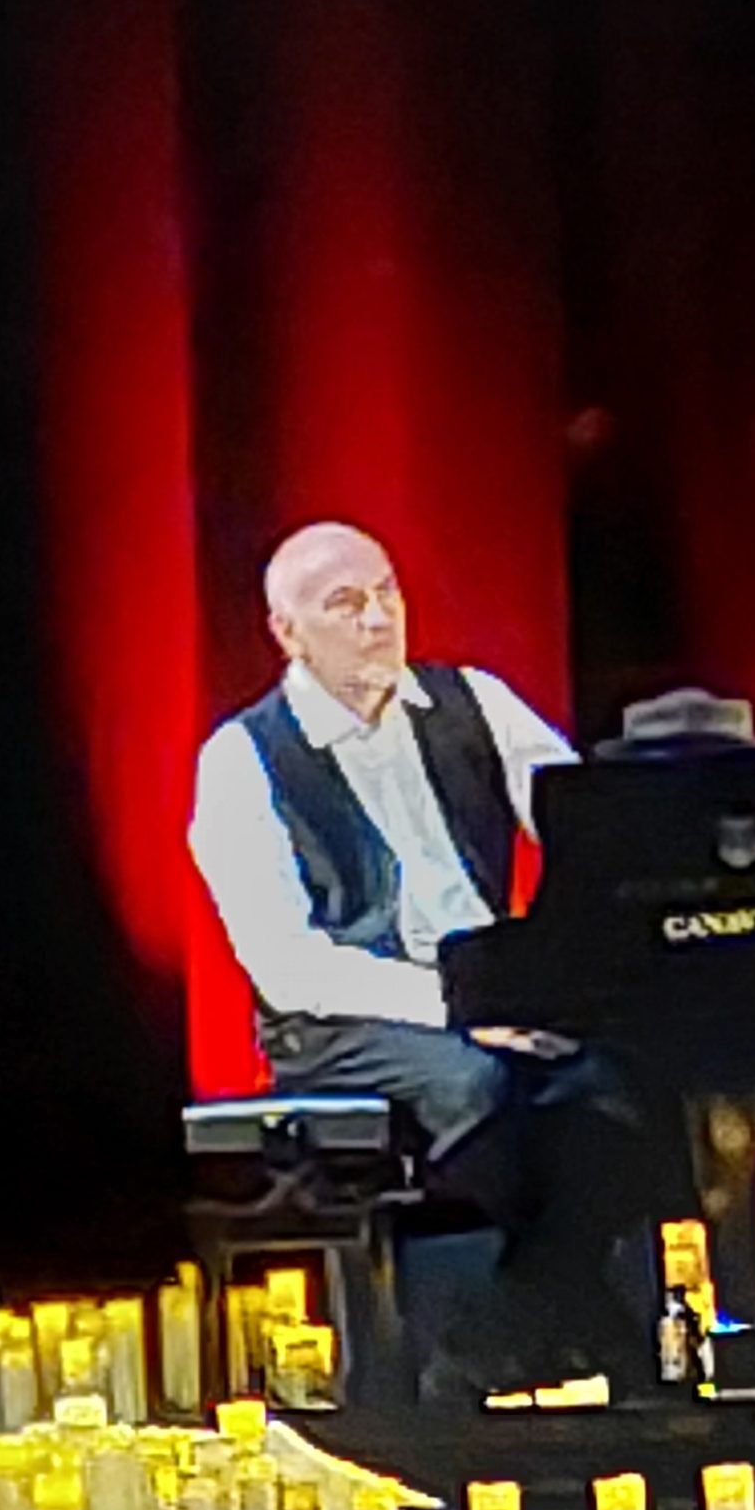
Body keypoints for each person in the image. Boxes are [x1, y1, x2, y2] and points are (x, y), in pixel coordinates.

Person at [189, 519, 648, 1393]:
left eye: (387, 593)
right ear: (288, 632)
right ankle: (572, 1336)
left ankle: (499, 1331)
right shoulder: (243, 760)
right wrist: (465, 1005)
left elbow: (586, 828)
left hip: (491, 993)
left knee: (626, 1070)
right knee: (475, 1083)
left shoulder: (473, 702)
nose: (378, 619)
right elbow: (289, 966)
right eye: (346, 604)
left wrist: (570, 959)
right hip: (341, 1022)